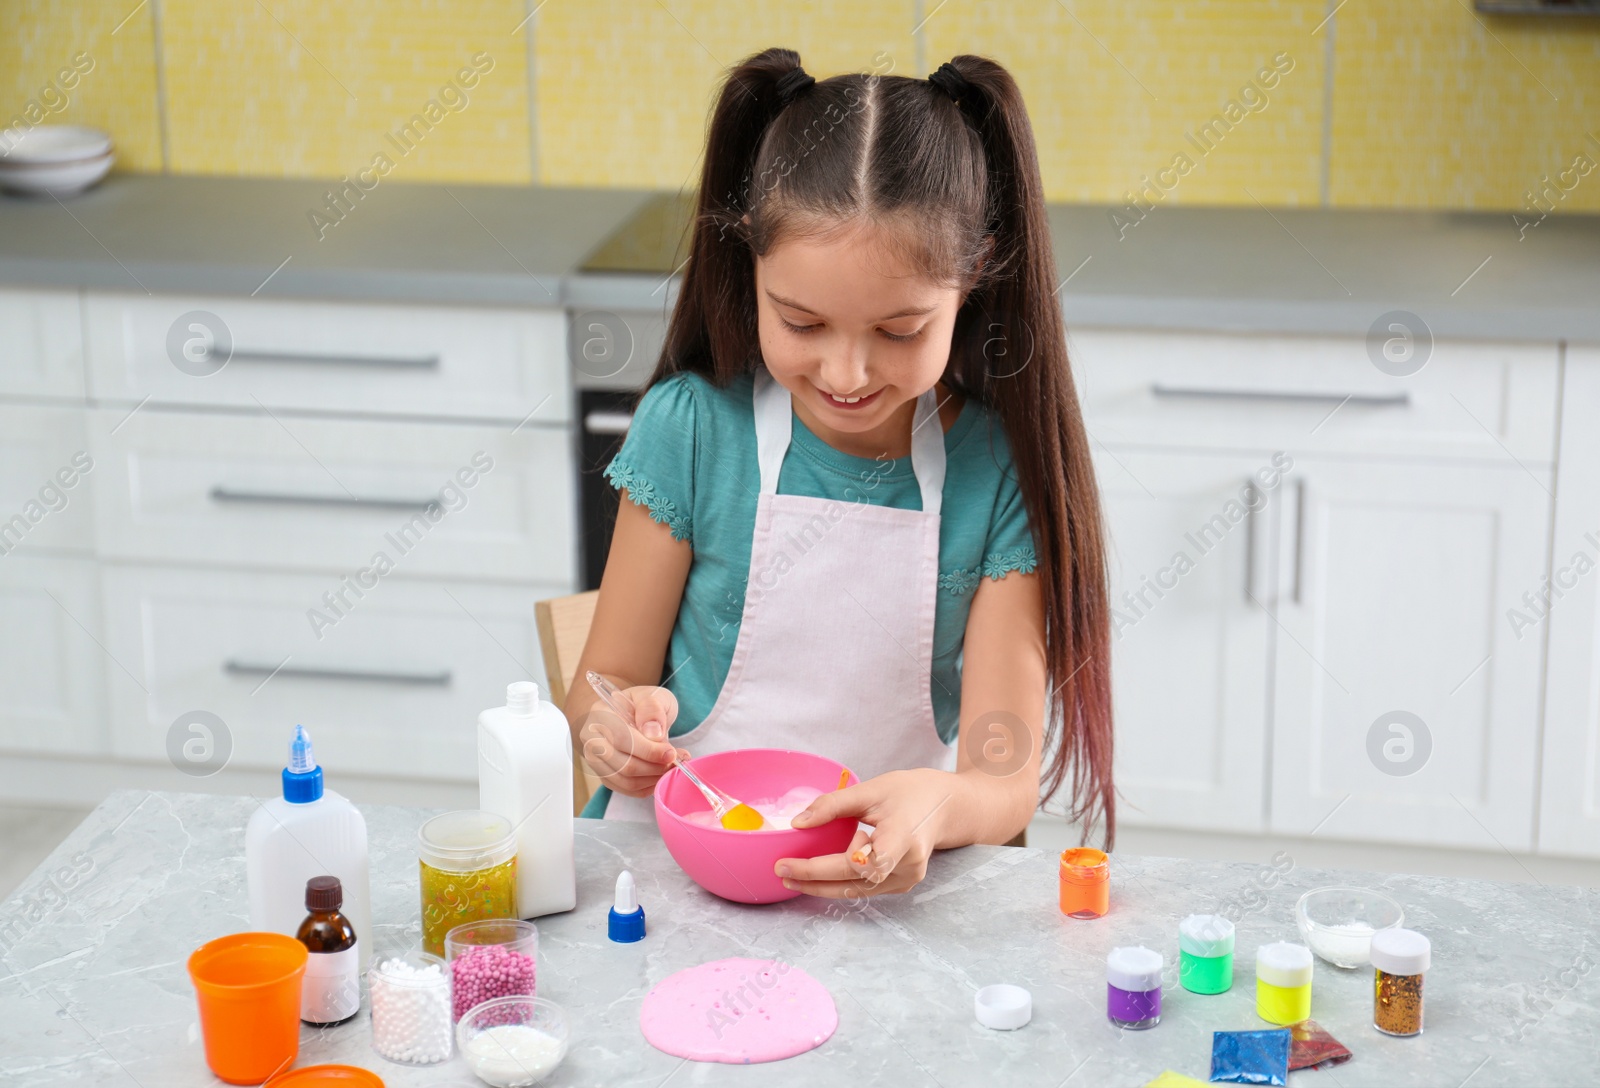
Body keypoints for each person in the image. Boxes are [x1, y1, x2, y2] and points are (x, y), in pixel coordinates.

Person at [564, 48, 1113, 898]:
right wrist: (612, 732)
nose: (847, 374)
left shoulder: (994, 472)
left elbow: (1001, 782)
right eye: (802, 321)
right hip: (679, 891)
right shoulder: (694, 429)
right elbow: (599, 690)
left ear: (972, 274)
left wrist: (940, 807)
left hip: (889, 907)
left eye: (899, 332)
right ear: (750, 262)